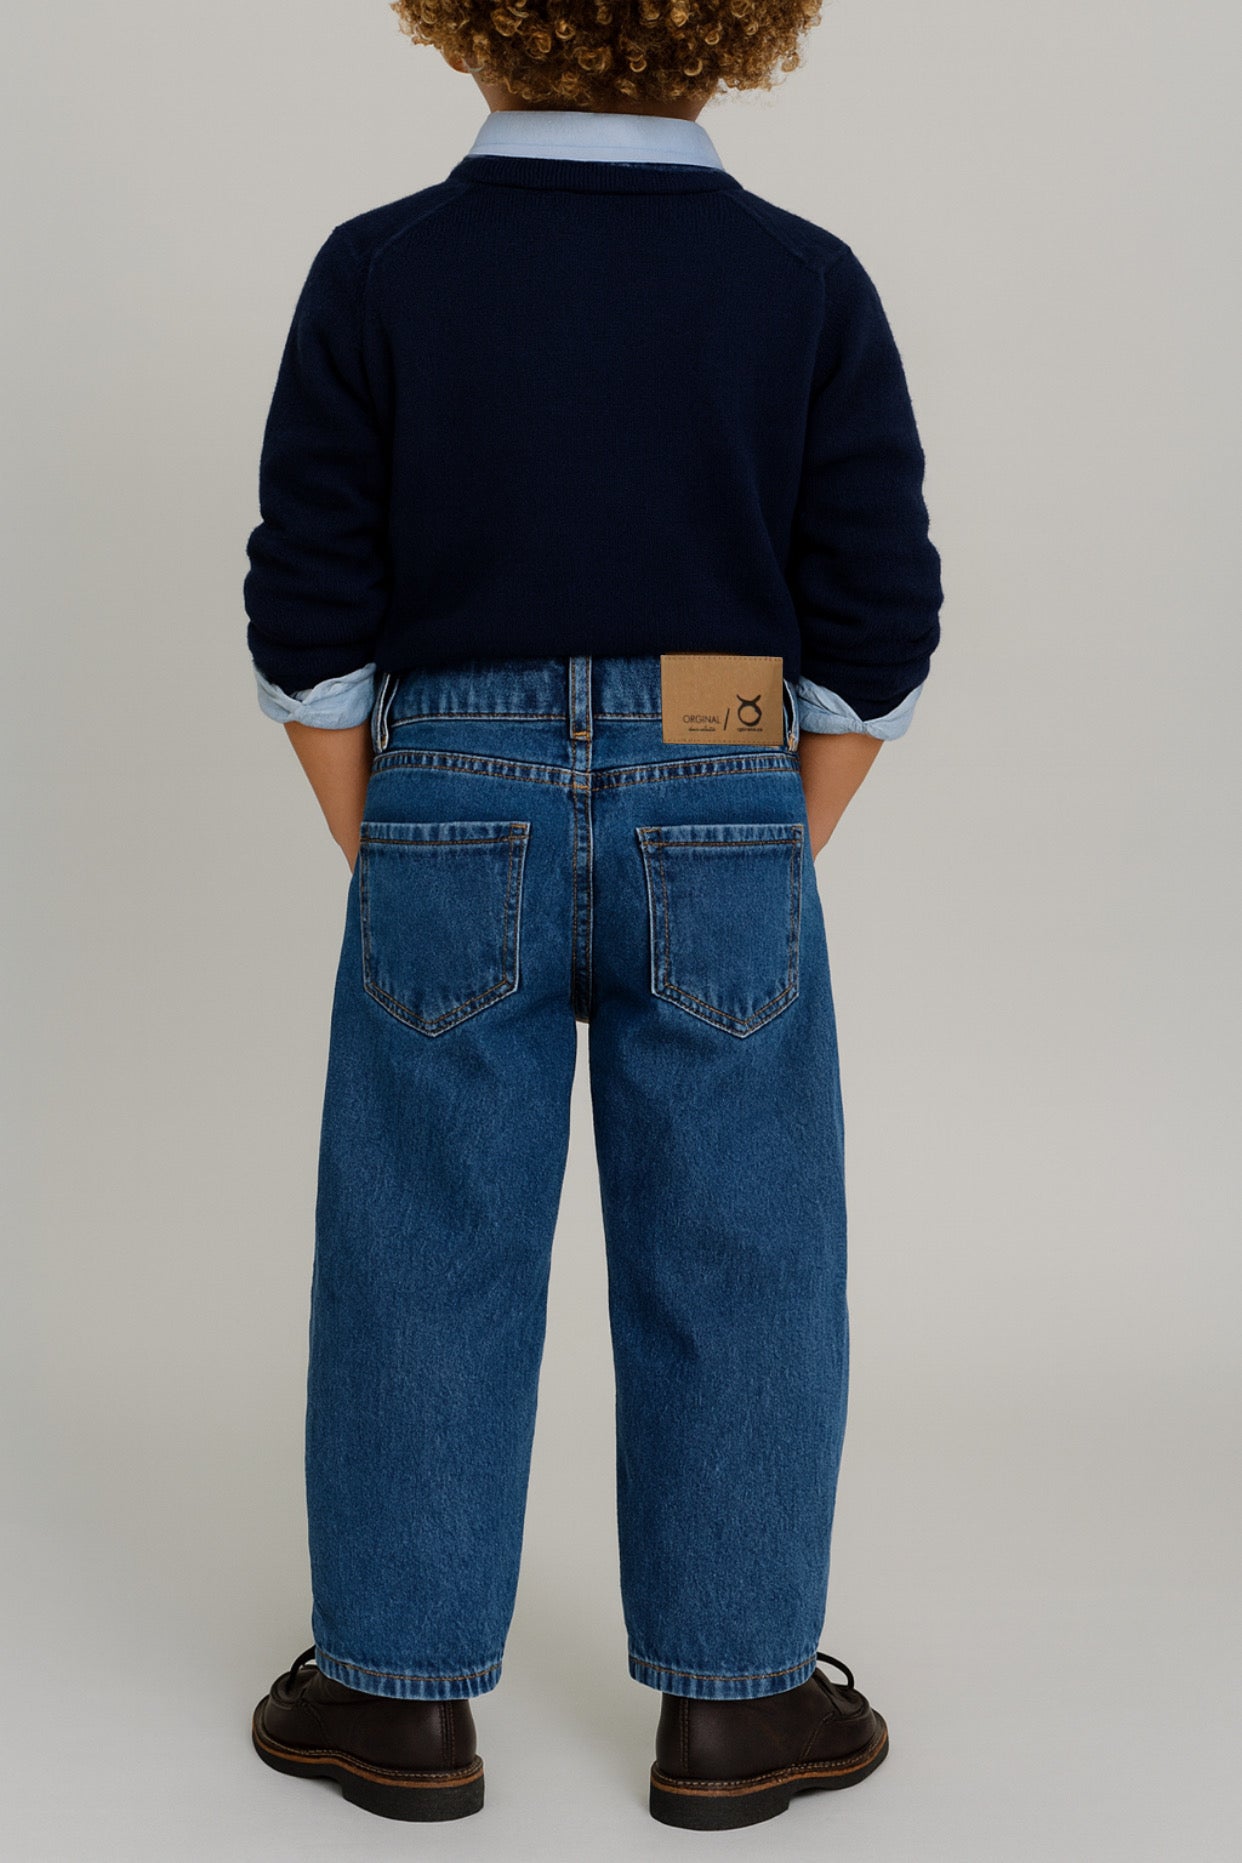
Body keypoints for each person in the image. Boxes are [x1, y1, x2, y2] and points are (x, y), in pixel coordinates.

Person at [242, 0, 942, 1834]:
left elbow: (310, 599)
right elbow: (874, 613)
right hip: (724, 765)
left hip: (441, 781)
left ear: (469, 22)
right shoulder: (800, 281)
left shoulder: (380, 270)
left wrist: (397, 831)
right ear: (735, 30)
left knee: (421, 1239)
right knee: (742, 1248)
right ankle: (742, 1706)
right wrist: (764, 830)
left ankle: (393, 1705)